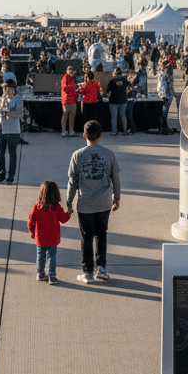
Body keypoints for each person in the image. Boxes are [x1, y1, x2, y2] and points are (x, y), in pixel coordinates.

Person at [66, 120, 121, 284]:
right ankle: (102, 268)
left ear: (84, 135)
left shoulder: (78, 155)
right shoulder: (109, 154)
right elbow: (116, 179)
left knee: (86, 237)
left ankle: (88, 271)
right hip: (104, 203)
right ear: (101, 136)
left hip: (85, 204)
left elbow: (72, 181)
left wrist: (69, 202)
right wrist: (116, 197)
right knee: (101, 234)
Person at [27, 180, 71, 285]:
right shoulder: (56, 207)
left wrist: (33, 233)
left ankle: (40, 273)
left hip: (40, 238)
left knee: (40, 255)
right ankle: (52, 276)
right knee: (52, 256)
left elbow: (30, 222)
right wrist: (68, 212)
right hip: (53, 238)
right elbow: (63, 219)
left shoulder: (37, 207)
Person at [0, 79, 23, 183]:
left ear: (14, 90)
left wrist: (9, 113)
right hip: (2, 130)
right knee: (0, 154)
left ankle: (11, 175)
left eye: (10, 89)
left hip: (13, 131)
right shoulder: (2, 98)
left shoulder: (18, 99)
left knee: (12, 154)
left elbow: (20, 114)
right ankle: (2, 173)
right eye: (6, 89)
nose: (8, 92)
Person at [105, 68, 128, 136]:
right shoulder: (124, 80)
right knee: (123, 116)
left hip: (113, 101)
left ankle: (114, 131)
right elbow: (130, 86)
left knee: (114, 117)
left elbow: (107, 90)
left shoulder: (112, 81)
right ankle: (125, 130)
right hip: (123, 101)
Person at [61, 66, 78, 137]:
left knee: (72, 115)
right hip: (67, 99)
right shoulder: (65, 78)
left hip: (72, 99)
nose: (73, 73)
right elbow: (64, 88)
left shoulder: (71, 79)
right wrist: (73, 88)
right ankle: (64, 130)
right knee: (66, 115)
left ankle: (71, 130)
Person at [157, 66, 175, 130]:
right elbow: (162, 87)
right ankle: (162, 125)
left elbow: (171, 87)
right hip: (164, 98)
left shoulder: (169, 77)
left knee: (166, 112)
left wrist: (173, 95)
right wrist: (164, 96)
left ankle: (164, 124)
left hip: (169, 98)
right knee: (163, 112)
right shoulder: (163, 77)